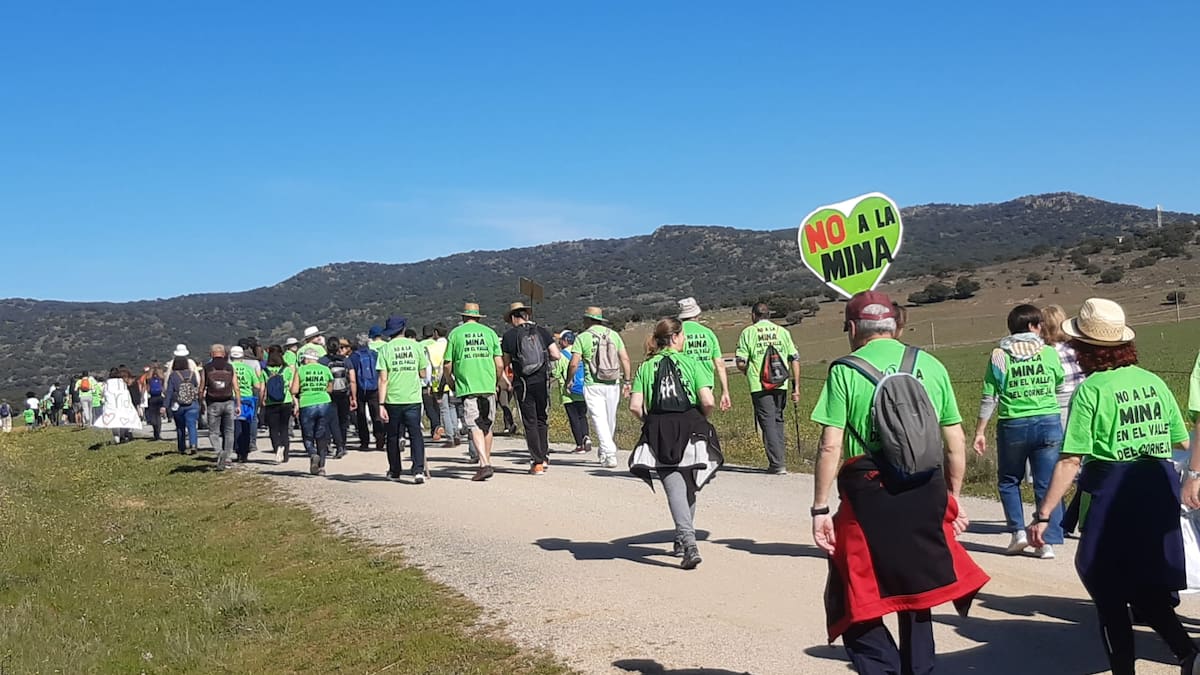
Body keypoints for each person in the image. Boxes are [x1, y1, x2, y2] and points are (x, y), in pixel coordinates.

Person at [811, 291, 989, 674]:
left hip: (870, 493)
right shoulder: (931, 365)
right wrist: (952, 499)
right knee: (916, 590)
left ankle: (881, 667)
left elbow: (831, 445)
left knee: (850, 592)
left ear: (854, 327)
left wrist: (820, 507)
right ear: (897, 325)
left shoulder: (845, 369)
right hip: (925, 490)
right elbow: (954, 442)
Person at [1028, 297, 1200, 675]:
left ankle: (1125, 668)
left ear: (1084, 348)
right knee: (1148, 588)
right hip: (1158, 493)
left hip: (1113, 497)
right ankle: (1188, 654)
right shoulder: (1152, 381)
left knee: (1104, 586)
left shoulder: (1092, 390)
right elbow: (1184, 442)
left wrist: (1043, 515)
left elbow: (1072, 459)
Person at [972, 304, 1065, 559]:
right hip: (1048, 420)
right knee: (1046, 482)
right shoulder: (1047, 353)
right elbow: (1058, 381)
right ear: (1033, 327)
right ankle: (1046, 541)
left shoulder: (998, 356)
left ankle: (1018, 532)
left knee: (1009, 480)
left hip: (1013, 423)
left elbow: (989, 396)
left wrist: (980, 431)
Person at [628, 318, 722, 569]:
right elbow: (708, 400)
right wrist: (701, 418)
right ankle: (687, 540)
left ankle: (685, 540)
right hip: (690, 423)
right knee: (689, 486)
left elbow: (635, 405)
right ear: (676, 337)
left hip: (660, 427)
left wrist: (649, 421)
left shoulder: (646, 367)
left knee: (674, 488)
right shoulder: (691, 363)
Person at [735, 302, 801, 474]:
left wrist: (747, 372)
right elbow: (794, 358)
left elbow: (741, 361)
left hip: (759, 384)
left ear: (753, 315)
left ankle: (777, 463)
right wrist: (797, 386)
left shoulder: (748, 333)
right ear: (769, 315)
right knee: (778, 419)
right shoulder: (782, 332)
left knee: (767, 422)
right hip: (781, 381)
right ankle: (781, 458)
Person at [443, 302, 504, 482]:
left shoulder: (455, 334)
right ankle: (486, 461)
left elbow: (447, 364)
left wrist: (450, 381)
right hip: (488, 385)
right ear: (478, 317)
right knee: (487, 425)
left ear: (463, 317)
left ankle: (484, 464)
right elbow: (499, 364)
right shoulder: (490, 333)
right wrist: (495, 381)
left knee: (474, 425)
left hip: (468, 386)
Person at [567, 307, 632, 469]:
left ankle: (609, 453)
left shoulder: (582, 338)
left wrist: (569, 379)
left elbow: (574, 363)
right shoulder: (613, 335)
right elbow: (624, 358)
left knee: (598, 418)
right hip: (613, 382)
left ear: (588, 320)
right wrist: (628, 381)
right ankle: (605, 451)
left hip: (593, 383)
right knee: (610, 419)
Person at [501, 301, 561, 474]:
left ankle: (537, 461)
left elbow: (504, 364)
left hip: (523, 384)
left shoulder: (509, 336)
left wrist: (505, 380)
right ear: (526, 315)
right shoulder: (542, 331)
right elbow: (556, 355)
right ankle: (545, 455)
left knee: (530, 421)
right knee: (542, 419)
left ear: (513, 318)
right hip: (542, 381)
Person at [377, 320, 430, 483]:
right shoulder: (416, 347)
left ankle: (395, 470)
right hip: (413, 398)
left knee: (392, 436)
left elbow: (383, 380)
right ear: (404, 329)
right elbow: (422, 373)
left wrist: (381, 404)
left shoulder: (385, 349)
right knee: (416, 434)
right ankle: (418, 470)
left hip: (393, 398)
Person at [677, 297, 732, 412]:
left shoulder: (677, 334)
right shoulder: (708, 333)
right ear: (697, 314)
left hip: (683, 384)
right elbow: (719, 364)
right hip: (706, 383)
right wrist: (725, 391)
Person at [292, 350, 334, 476]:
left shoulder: (301, 370)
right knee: (321, 435)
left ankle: (312, 453)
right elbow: (330, 388)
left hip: (307, 403)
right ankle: (321, 467)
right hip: (324, 402)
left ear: (307, 359)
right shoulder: (325, 369)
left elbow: (294, 389)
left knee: (308, 435)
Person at [200, 344, 240, 471]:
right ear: (224, 354)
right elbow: (236, 387)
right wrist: (238, 404)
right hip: (228, 401)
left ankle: (219, 452)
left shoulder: (206, 368)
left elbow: (201, 388)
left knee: (213, 432)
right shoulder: (230, 367)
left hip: (213, 402)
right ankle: (227, 457)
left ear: (211, 354)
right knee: (229, 432)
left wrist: (201, 402)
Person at [553, 331, 590, 453]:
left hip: (568, 392)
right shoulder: (579, 354)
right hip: (582, 389)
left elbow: (556, 373)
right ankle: (586, 436)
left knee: (573, 418)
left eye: (560, 340)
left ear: (565, 341)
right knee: (582, 416)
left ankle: (579, 444)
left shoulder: (561, 355)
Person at [322, 337, 356, 459]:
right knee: (343, 421)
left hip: (329, 394)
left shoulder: (323, 361)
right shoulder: (346, 361)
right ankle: (342, 445)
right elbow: (352, 380)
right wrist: (354, 397)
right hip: (344, 394)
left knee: (331, 421)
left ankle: (329, 444)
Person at [349, 332, 383, 451]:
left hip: (359, 389)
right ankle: (380, 440)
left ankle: (364, 442)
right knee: (376, 414)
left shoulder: (353, 356)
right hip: (374, 388)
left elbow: (351, 375)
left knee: (361, 415)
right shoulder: (374, 354)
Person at [261, 345, 296, 463]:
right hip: (285, 401)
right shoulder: (286, 370)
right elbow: (291, 387)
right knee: (284, 428)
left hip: (271, 402)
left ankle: (277, 448)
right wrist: (295, 401)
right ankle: (285, 454)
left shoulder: (265, 371)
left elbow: (262, 388)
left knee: (274, 429)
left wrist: (262, 401)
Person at [230, 346, 264, 463]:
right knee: (246, 426)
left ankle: (237, 450)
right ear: (242, 356)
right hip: (248, 399)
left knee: (236, 426)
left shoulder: (229, 368)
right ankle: (245, 451)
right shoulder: (248, 368)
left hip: (233, 398)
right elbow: (257, 386)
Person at [164, 356, 200, 454]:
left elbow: (169, 391)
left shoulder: (173, 375)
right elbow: (196, 386)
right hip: (192, 403)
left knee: (180, 427)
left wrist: (165, 405)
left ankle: (182, 447)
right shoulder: (192, 374)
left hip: (178, 404)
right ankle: (193, 444)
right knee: (192, 425)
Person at [96, 367, 141, 444]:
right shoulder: (122, 382)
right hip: (123, 405)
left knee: (114, 422)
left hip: (111, 406)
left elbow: (103, 393)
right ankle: (123, 436)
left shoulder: (107, 383)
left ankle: (116, 438)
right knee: (122, 420)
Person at [420, 325, 446, 441]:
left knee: (428, 407)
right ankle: (436, 430)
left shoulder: (420, 346)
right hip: (440, 380)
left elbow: (426, 366)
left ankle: (435, 426)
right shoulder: (438, 345)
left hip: (425, 381)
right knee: (437, 406)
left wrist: (427, 382)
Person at [144, 366, 166, 441]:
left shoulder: (155, 379)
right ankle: (157, 432)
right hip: (155, 397)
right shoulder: (153, 380)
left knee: (156, 416)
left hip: (156, 397)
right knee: (156, 417)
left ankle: (157, 433)